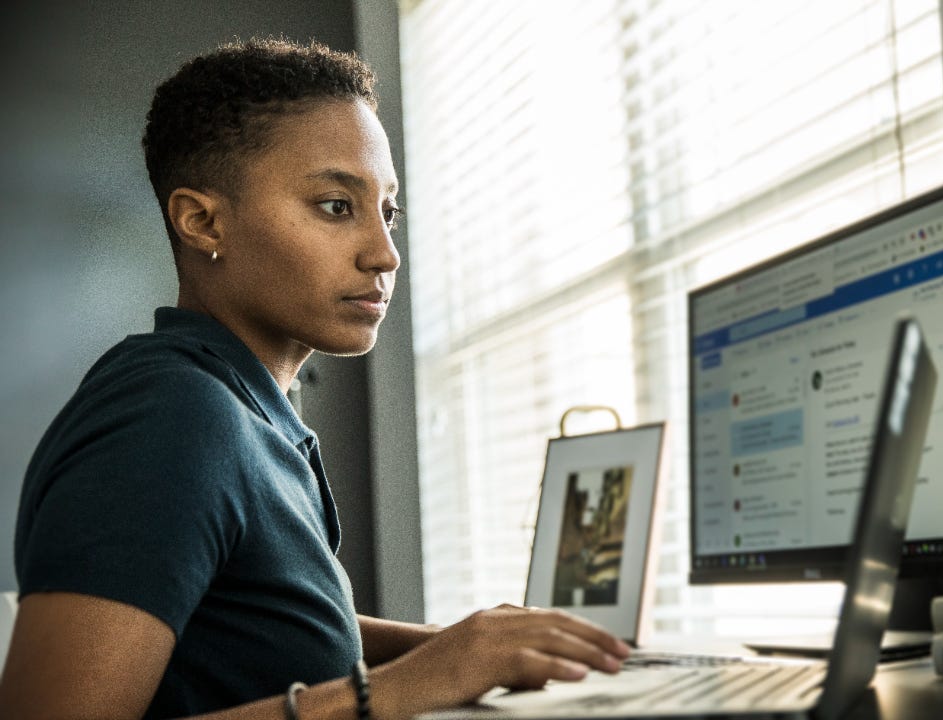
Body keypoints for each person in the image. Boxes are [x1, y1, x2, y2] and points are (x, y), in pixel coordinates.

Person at [0, 38, 628, 720]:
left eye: (388, 212)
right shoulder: (171, 417)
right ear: (201, 220)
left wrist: (461, 645)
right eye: (336, 205)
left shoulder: (247, 412)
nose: (384, 253)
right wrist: (402, 686)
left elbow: (266, 626)